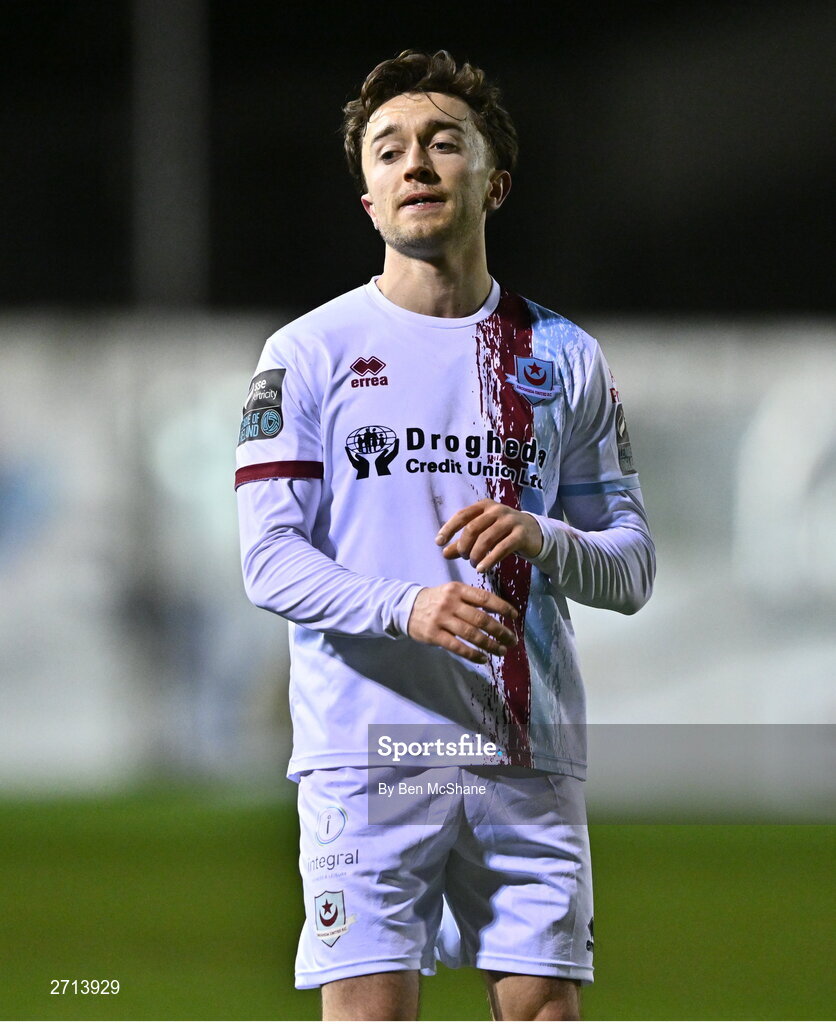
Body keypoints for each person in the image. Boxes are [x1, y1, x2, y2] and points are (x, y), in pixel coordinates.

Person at [235, 49, 655, 1021]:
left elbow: (629, 567)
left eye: (440, 142)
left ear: (492, 181)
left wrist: (544, 539)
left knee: (543, 1009)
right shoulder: (307, 353)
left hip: (524, 751)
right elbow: (269, 557)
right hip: (366, 754)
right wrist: (409, 604)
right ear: (369, 200)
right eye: (388, 151)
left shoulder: (562, 355)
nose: (414, 162)